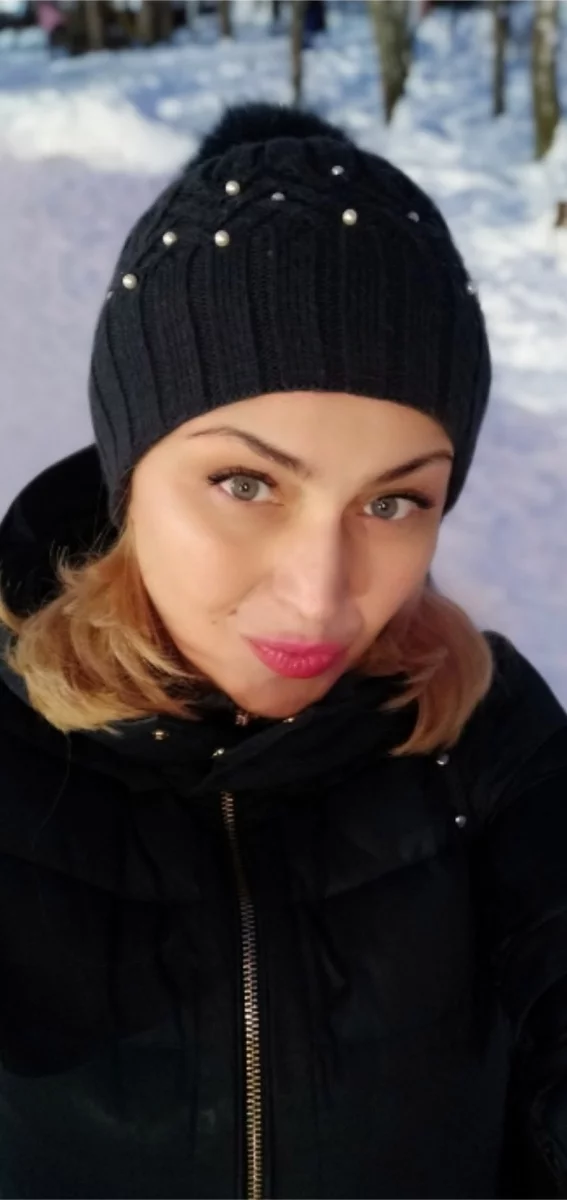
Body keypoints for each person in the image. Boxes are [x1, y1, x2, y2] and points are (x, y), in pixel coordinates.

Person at [0, 102, 566, 1200]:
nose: (320, 595)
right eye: (246, 482)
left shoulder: (488, 736)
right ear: (128, 473)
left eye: (394, 501)